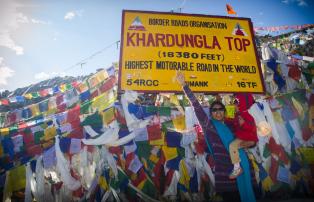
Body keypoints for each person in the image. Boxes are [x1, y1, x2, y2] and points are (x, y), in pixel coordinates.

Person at [176, 72, 256, 202]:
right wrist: (184, 85)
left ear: (224, 112)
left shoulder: (233, 124)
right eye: (214, 110)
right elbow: (196, 106)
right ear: (211, 113)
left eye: (220, 109)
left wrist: (250, 143)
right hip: (225, 173)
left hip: (244, 167)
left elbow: (249, 139)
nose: (218, 112)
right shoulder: (209, 126)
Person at [228, 93, 258, 179]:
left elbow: (252, 127)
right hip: (243, 138)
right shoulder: (238, 115)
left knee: (232, 146)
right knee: (234, 147)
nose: (234, 106)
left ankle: (237, 168)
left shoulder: (246, 114)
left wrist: (243, 124)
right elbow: (232, 122)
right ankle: (238, 167)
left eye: (236, 104)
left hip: (248, 137)